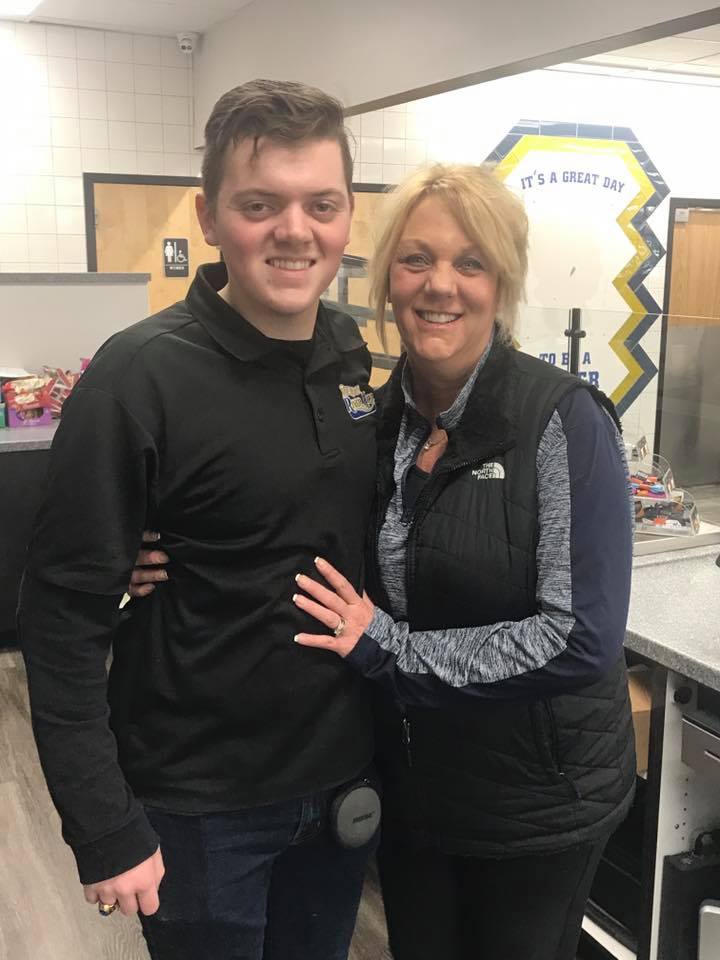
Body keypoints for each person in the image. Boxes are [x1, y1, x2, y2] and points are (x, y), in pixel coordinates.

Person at [18, 79, 380, 960]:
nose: (295, 230)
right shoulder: (137, 377)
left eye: (321, 204)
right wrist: (104, 823)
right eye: (260, 205)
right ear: (209, 216)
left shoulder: (349, 354)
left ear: (347, 217)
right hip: (200, 806)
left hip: (339, 783)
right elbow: (61, 616)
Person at [288, 164, 636, 960]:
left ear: (501, 282)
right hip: (419, 796)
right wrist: (166, 551)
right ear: (387, 278)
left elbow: (578, 636)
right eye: (416, 259)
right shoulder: (377, 421)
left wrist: (393, 652)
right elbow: (304, 530)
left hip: (537, 808)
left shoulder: (560, 419)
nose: (439, 285)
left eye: (469, 262)